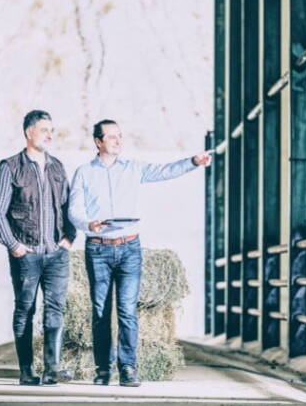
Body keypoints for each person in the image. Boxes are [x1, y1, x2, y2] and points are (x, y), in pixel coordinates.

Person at [68, 119, 211, 387]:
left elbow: (165, 171)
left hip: (129, 248)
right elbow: (74, 208)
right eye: (111, 137)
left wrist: (192, 161)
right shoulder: (84, 173)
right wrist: (89, 224)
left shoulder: (133, 168)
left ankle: (128, 368)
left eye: (120, 136)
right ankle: (102, 369)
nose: (118, 141)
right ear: (98, 142)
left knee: (127, 310)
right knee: (100, 310)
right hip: (98, 248)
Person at [0, 110, 76, 386]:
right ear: (29, 132)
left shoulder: (57, 167)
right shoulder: (10, 167)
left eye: (52, 130)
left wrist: (68, 239)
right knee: (25, 309)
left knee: (55, 309)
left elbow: (68, 206)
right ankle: (26, 371)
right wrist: (14, 245)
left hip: (56, 253)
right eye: (44, 130)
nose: (50, 135)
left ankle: (52, 368)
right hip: (25, 254)